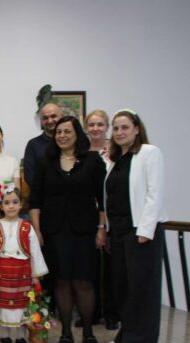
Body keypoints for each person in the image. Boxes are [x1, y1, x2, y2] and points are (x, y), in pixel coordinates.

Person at [29, 116, 107, 343]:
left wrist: (101, 229)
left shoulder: (92, 161)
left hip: (85, 231)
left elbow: (103, 199)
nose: (62, 136)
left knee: (84, 281)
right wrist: (37, 231)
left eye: (67, 132)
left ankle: (88, 332)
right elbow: (35, 201)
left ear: (77, 135)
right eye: (59, 132)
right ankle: (65, 333)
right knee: (61, 281)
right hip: (54, 232)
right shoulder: (46, 162)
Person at [106, 109, 167, 343]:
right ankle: (127, 335)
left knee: (143, 287)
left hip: (141, 231)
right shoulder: (116, 160)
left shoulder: (149, 153)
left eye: (125, 127)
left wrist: (145, 229)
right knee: (124, 286)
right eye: (116, 128)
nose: (119, 132)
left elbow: (154, 193)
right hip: (119, 231)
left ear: (137, 129)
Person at [0, 183, 48, 343]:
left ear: (21, 205)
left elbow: (34, 251)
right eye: (7, 202)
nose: (11, 206)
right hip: (2, 273)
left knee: (22, 308)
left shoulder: (27, 227)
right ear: (1, 206)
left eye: (15, 202)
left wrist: (35, 274)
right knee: (4, 308)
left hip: (23, 274)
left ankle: (21, 339)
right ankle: (5, 339)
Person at [84, 109, 118, 330]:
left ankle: (112, 313)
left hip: (112, 215)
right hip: (89, 216)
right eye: (91, 125)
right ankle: (93, 312)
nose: (95, 128)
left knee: (112, 268)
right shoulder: (82, 152)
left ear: (107, 127)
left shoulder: (115, 151)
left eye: (100, 124)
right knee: (92, 268)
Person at [23, 103, 63, 188]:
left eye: (53, 116)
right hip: (42, 194)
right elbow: (30, 176)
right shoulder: (33, 145)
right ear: (41, 121)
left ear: (61, 117)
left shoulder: (70, 142)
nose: (49, 121)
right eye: (45, 118)